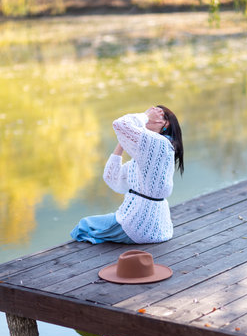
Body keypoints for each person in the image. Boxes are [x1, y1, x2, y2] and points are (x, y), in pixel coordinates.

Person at [70, 105, 184, 245]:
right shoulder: (146, 157)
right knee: (93, 225)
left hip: (137, 225)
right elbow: (112, 178)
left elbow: (121, 124)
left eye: (159, 114)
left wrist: (146, 115)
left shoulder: (160, 144)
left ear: (165, 124)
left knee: (84, 226)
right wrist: (124, 140)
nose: (151, 113)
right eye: (151, 112)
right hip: (151, 225)